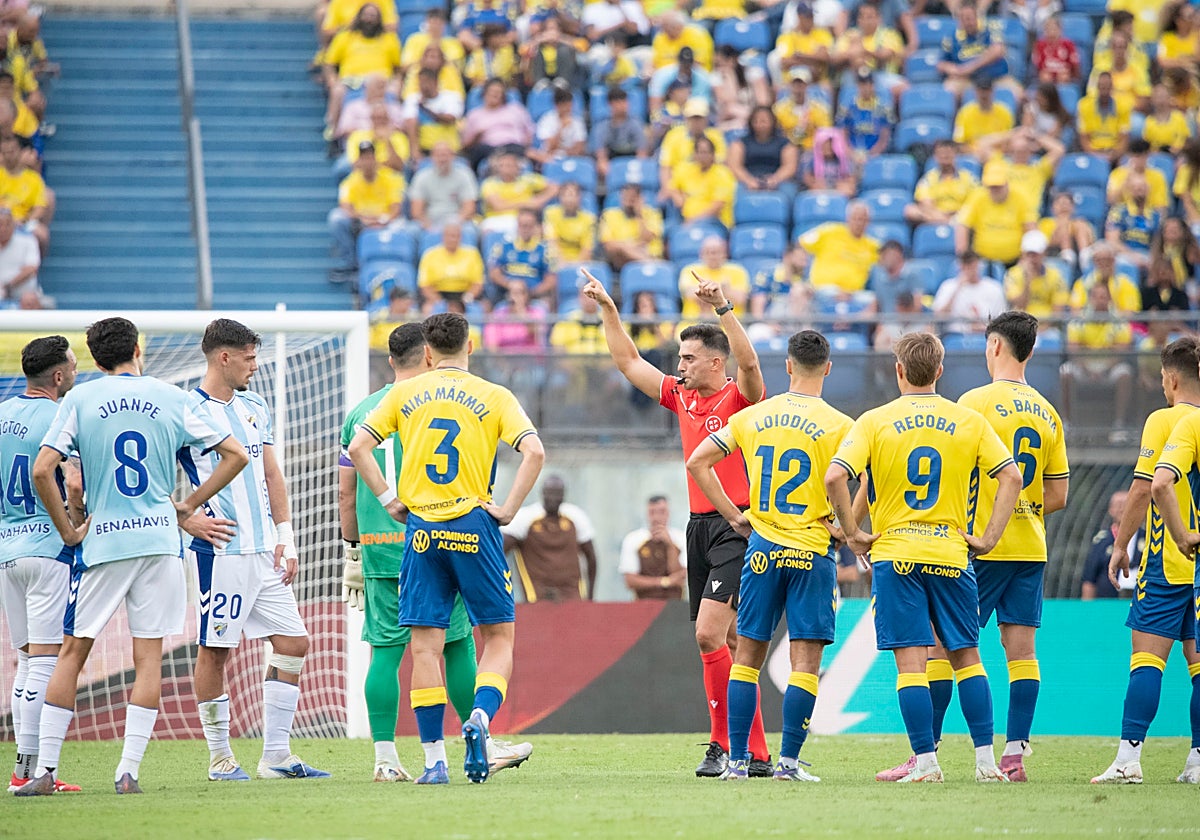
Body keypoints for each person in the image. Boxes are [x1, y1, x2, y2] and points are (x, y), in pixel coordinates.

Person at [16, 318, 248, 796]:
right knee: (149, 659)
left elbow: (44, 470)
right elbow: (236, 454)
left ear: (95, 361)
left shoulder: (80, 399)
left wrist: (69, 530)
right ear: (139, 349)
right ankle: (128, 772)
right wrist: (187, 503)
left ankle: (45, 772)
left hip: (105, 543)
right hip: (161, 543)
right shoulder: (173, 396)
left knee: (72, 652)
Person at [582, 268, 774, 778]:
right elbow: (628, 360)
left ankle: (720, 744)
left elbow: (751, 362)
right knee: (727, 644)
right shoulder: (682, 395)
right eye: (679, 358)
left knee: (709, 637)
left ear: (716, 361)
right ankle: (753, 752)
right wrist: (608, 307)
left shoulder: (740, 398)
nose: (680, 365)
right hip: (700, 529)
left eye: (689, 358)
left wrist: (724, 308)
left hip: (739, 529)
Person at [347, 312, 546, 785]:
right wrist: (510, 508)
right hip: (473, 523)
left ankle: (434, 761)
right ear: (471, 347)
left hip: (420, 529)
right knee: (497, 638)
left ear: (429, 353)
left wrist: (389, 499)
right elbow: (534, 451)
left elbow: (359, 449)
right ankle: (479, 719)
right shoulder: (494, 396)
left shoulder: (403, 393)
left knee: (423, 649)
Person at [878, 312, 1070, 784]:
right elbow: (1059, 495)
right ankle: (1013, 757)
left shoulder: (973, 404)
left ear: (996, 348)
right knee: (1022, 653)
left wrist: (988, 523)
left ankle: (927, 753)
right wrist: (1021, 510)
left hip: (974, 546)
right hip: (1030, 545)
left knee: (948, 650)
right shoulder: (1047, 410)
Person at [825, 332, 1022, 784]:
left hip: (897, 556)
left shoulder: (875, 421)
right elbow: (1010, 476)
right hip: (952, 553)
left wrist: (853, 533)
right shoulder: (968, 421)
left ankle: (927, 762)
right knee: (968, 656)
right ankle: (985, 763)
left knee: (911, 663)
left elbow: (837, 475)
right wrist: (988, 537)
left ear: (898, 371)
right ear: (939, 371)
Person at [687, 329, 852, 783]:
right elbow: (862, 476)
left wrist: (735, 517)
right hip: (812, 553)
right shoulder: (841, 425)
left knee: (747, 657)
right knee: (805, 663)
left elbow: (697, 462)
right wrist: (848, 528)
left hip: (761, 550)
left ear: (787, 366)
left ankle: (737, 763)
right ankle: (789, 764)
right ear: (828, 368)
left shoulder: (757, 416)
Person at [180, 320, 327, 782]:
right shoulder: (186, 411)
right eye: (248, 357)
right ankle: (221, 758)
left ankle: (277, 757)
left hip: (265, 549)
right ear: (223, 358)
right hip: (222, 550)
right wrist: (186, 517)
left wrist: (287, 535)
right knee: (216, 651)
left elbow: (272, 474)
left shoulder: (254, 405)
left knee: (293, 643)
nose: (255, 366)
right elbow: (153, 473)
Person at [1098, 337, 1200, 784]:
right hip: (1198, 563)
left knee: (1146, 661)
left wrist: (1122, 544)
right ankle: (1197, 761)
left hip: (1166, 561)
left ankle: (1128, 759)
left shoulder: (1165, 420)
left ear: (1172, 378)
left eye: (1162, 379)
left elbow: (1144, 486)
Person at [0, 337, 81, 793]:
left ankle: (21, 772)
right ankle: (32, 773)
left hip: (6, 551)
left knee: (26, 660)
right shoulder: (60, 417)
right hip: (48, 547)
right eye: (71, 364)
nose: (74, 370)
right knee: (46, 660)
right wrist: (75, 524)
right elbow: (71, 479)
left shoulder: (2, 413)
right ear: (57, 376)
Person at [502, 476, 598, 601]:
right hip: (536, 594)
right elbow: (499, 551)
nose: (554, 498)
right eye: (550, 493)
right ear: (543, 493)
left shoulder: (576, 517)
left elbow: (591, 557)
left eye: (558, 494)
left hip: (572, 594)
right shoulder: (524, 518)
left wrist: (590, 597)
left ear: (564, 495)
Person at [1060, 282, 1134, 434]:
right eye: (1096, 296)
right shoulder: (1078, 321)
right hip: (1084, 366)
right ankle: (1067, 424)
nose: (1100, 300)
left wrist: (1103, 366)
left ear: (1109, 299)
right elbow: (1074, 351)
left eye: (1103, 296)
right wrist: (1088, 367)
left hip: (1110, 367)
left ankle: (1119, 425)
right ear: (1090, 299)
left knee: (1125, 373)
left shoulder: (1119, 322)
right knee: (1065, 370)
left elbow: (1121, 353)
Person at [328, 143, 406, 282]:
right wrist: (365, 220)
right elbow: (345, 207)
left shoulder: (391, 178)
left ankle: (399, 267)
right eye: (364, 158)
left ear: (376, 159)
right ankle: (351, 264)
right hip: (361, 222)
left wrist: (383, 220)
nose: (368, 162)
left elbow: (396, 208)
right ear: (358, 161)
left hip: (386, 221)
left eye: (370, 157)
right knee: (337, 218)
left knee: (407, 228)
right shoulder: (350, 181)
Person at [955, 163, 1037, 269]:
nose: (995, 190)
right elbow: (962, 225)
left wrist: (1027, 258)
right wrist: (964, 258)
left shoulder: (1020, 197)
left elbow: (1031, 229)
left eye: (998, 186)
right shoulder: (977, 197)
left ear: (1007, 183)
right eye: (991, 187)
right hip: (983, 260)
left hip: (1015, 261)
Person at [800, 201, 880, 293]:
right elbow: (801, 244)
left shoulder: (874, 246)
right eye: (855, 219)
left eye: (862, 219)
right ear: (848, 219)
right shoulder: (830, 231)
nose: (859, 223)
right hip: (822, 290)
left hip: (854, 295)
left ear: (868, 221)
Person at [937, 5, 1015, 97]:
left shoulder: (990, 29)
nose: (968, 22)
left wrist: (969, 68)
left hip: (996, 78)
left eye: (969, 18)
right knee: (949, 89)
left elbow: (998, 50)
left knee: (1017, 94)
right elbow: (941, 64)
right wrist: (956, 70)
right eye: (963, 19)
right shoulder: (951, 37)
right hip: (967, 80)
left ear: (976, 17)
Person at [620, 495, 687, 600]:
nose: (656, 518)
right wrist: (664, 582)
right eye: (652, 512)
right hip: (643, 604)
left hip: (675, 604)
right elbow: (630, 580)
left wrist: (670, 545)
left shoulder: (681, 539)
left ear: (668, 513)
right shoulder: (633, 539)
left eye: (661, 512)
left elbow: (680, 577)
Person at [663, 135, 737, 229]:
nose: (702, 156)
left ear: (713, 154)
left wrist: (693, 221)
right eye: (699, 153)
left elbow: (717, 206)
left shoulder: (723, 174)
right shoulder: (687, 170)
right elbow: (672, 186)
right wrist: (678, 196)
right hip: (685, 220)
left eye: (705, 153)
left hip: (714, 223)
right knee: (667, 229)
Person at [488, 208, 556, 306]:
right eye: (522, 225)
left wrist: (528, 293)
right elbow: (494, 273)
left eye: (529, 226)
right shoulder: (503, 246)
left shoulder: (546, 250)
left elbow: (551, 280)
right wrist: (511, 285)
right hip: (507, 295)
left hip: (534, 297)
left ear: (535, 226)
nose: (525, 229)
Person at [479, 151, 557, 236]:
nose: (505, 169)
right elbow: (498, 206)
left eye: (509, 165)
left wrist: (539, 200)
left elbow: (554, 187)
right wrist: (527, 203)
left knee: (546, 228)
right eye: (501, 166)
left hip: (525, 219)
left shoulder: (528, 179)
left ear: (517, 167)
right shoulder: (490, 184)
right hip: (497, 218)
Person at [408, 142, 479, 231]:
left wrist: (456, 222)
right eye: (438, 155)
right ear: (432, 157)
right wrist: (429, 226)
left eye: (445, 155)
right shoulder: (421, 177)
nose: (442, 159)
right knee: (412, 229)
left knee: (470, 230)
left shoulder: (465, 175)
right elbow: (416, 211)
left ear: (453, 156)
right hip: (429, 219)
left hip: (457, 219)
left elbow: (469, 208)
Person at [904, 140, 978, 226]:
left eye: (948, 153)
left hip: (960, 214)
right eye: (941, 153)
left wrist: (958, 213)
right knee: (910, 210)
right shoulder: (929, 178)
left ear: (955, 155)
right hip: (936, 214)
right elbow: (925, 203)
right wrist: (941, 216)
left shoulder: (968, 177)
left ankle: (949, 222)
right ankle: (948, 222)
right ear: (935, 156)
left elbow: (975, 201)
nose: (945, 156)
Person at [418, 221, 485, 312]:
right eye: (449, 236)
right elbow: (425, 285)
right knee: (428, 309)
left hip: (464, 294)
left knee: (480, 308)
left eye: (456, 236)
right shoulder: (430, 255)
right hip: (439, 294)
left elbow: (477, 283)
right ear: (443, 237)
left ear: (461, 237)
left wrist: (467, 298)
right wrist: (439, 301)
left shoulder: (472, 254)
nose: (453, 239)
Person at [933, 250, 1007, 331]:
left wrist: (985, 328)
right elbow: (938, 316)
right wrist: (957, 289)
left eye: (972, 264)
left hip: (986, 334)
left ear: (979, 265)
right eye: (965, 265)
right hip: (956, 335)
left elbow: (1001, 320)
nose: (969, 269)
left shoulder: (994, 288)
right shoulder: (948, 286)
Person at [678, 237, 749, 320]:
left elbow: (740, 299)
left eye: (716, 252)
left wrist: (706, 289)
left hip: (730, 325)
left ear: (725, 253)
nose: (712, 256)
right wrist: (722, 289)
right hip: (692, 324)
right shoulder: (690, 270)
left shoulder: (738, 271)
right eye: (708, 252)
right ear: (701, 254)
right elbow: (689, 293)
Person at [402, 67, 464, 161]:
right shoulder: (413, 99)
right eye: (420, 82)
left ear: (435, 82)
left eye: (426, 82)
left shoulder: (451, 97)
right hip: (425, 151)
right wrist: (415, 152)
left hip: (450, 151)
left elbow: (450, 119)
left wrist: (427, 110)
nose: (423, 86)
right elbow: (409, 123)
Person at [1003, 230, 1069, 318]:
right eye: (1028, 254)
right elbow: (1019, 307)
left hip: (1047, 325)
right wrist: (1027, 281)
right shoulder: (1013, 274)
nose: (1031, 259)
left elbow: (1057, 312)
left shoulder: (1055, 275)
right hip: (1021, 325)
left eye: (1035, 254)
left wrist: (1042, 327)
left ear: (1044, 253)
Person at [1079, 491, 1133, 600]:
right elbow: (1089, 579)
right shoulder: (1101, 541)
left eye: (1126, 504)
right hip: (1106, 605)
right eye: (1118, 505)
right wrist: (1087, 609)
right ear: (1110, 510)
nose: (1122, 509)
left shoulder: (1146, 538)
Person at [599, 182, 664, 268]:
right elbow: (609, 245)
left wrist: (639, 214)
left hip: (650, 253)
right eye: (626, 197)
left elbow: (647, 237)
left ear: (640, 198)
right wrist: (631, 247)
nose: (629, 202)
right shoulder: (609, 215)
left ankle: (647, 262)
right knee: (619, 250)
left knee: (622, 247)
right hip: (622, 261)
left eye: (632, 198)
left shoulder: (652, 214)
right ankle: (649, 263)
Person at [1105, 172, 1161, 270]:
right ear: (1129, 190)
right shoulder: (1118, 212)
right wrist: (1133, 256)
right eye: (1135, 187)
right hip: (1123, 254)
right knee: (1124, 264)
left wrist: (1153, 260)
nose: (1139, 190)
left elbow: (1157, 243)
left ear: (1148, 189)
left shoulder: (1155, 215)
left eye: (1142, 187)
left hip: (1147, 255)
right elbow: (1112, 241)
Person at [590, 87, 647, 182]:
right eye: (619, 102)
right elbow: (601, 157)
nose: (624, 105)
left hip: (633, 167)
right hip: (611, 168)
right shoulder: (602, 127)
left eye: (625, 101)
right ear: (610, 104)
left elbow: (642, 154)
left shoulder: (636, 124)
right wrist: (613, 172)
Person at [836, 69, 892, 165]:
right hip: (852, 156)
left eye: (868, 84)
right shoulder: (848, 109)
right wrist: (851, 153)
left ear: (873, 85)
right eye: (862, 84)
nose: (865, 88)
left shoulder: (883, 109)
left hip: (875, 156)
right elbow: (843, 134)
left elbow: (884, 138)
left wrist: (871, 154)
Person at [1077, 72, 1132, 163]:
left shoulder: (1123, 106)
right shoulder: (1084, 105)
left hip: (1114, 153)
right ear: (1097, 87)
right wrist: (1096, 155)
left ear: (1112, 87)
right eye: (1102, 86)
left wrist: (1114, 155)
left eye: (1107, 86)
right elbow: (1084, 138)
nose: (1104, 90)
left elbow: (1124, 139)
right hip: (1093, 152)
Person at [953, 79, 1014, 156]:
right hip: (972, 154)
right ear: (975, 92)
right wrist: (978, 151)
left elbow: (1008, 140)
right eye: (981, 91)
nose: (984, 94)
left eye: (987, 90)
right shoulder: (965, 113)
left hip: (997, 154)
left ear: (992, 91)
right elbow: (959, 143)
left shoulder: (1004, 112)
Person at [1107, 139, 1169, 213]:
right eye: (1136, 156)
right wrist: (1125, 184)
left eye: (1143, 156)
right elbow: (1111, 200)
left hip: (1148, 216)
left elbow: (1161, 206)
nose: (1139, 160)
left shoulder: (1158, 176)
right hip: (1123, 216)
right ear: (1129, 156)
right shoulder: (1117, 173)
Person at [543, 181, 596, 264]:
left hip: (580, 263)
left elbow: (587, 249)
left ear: (579, 197)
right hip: (556, 261)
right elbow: (551, 243)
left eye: (572, 195)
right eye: (565, 195)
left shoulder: (589, 219)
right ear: (560, 197)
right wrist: (562, 262)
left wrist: (574, 266)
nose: (569, 200)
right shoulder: (550, 213)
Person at [868, 240, 924, 313]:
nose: (881, 259)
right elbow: (875, 304)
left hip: (909, 321)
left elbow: (917, 306)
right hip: (886, 322)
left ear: (897, 255)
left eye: (885, 255)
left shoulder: (913, 275)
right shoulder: (879, 276)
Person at [0, 205, 38, 304]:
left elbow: (32, 268)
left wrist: (8, 286)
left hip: (22, 293)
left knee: (29, 300)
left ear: (14, 225)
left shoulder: (27, 240)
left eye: (7, 224)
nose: (3, 229)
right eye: (0, 224)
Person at [1034, 15, 1080, 84]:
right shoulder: (1040, 45)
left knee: (1063, 77)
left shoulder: (1068, 44)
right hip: (1047, 72)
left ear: (1060, 30)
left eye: (1054, 29)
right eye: (1048, 29)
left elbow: (1075, 64)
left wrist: (1070, 74)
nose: (1051, 32)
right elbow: (1037, 65)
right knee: (1045, 77)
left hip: (1063, 72)